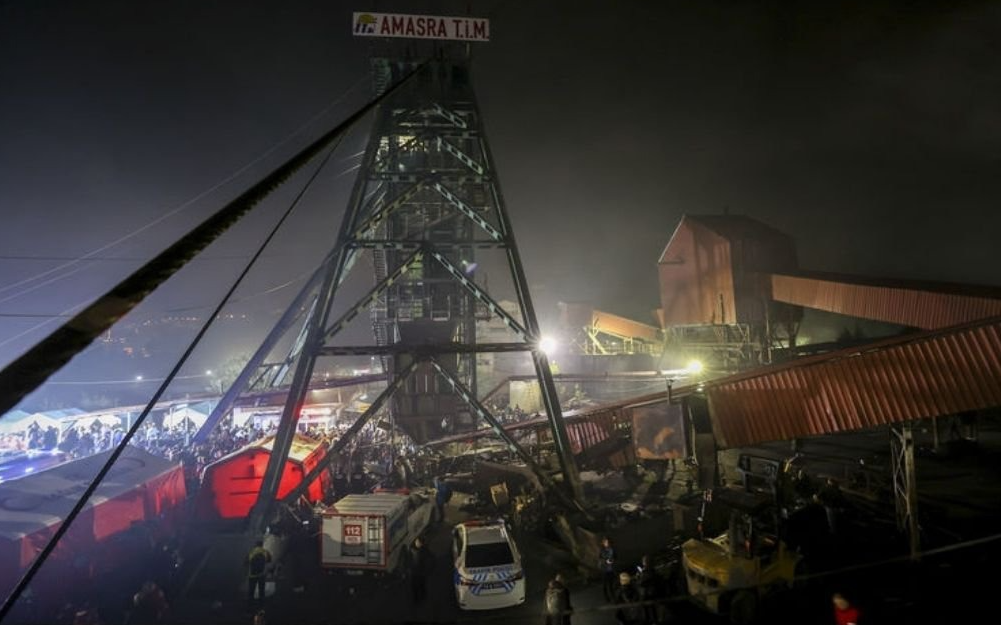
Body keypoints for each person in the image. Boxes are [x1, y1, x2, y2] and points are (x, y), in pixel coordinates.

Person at [634, 555, 660, 624]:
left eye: (644, 561)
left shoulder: (646, 572)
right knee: (652, 608)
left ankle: (650, 621)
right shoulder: (652, 570)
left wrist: (638, 577)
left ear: (645, 562)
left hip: (646, 593)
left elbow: (641, 583)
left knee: (646, 609)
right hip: (652, 592)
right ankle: (654, 621)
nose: (643, 563)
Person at [246, 539, 272, 605]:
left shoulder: (251, 552)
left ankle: (250, 605)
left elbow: (246, 562)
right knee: (261, 591)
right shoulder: (265, 551)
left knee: (251, 591)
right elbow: (269, 560)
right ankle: (261, 605)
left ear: (256, 544)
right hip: (261, 575)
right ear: (262, 545)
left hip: (252, 575)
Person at [407, 536, 432, 603]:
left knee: (421, 585)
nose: (417, 543)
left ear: (421, 543)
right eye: (416, 542)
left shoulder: (424, 550)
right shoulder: (412, 550)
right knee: (414, 587)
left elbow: (430, 560)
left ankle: (422, 597)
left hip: (420, 572)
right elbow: (408, 559)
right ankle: (417, 599)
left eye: (418, 542)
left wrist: (427, 570)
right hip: (414, 573)